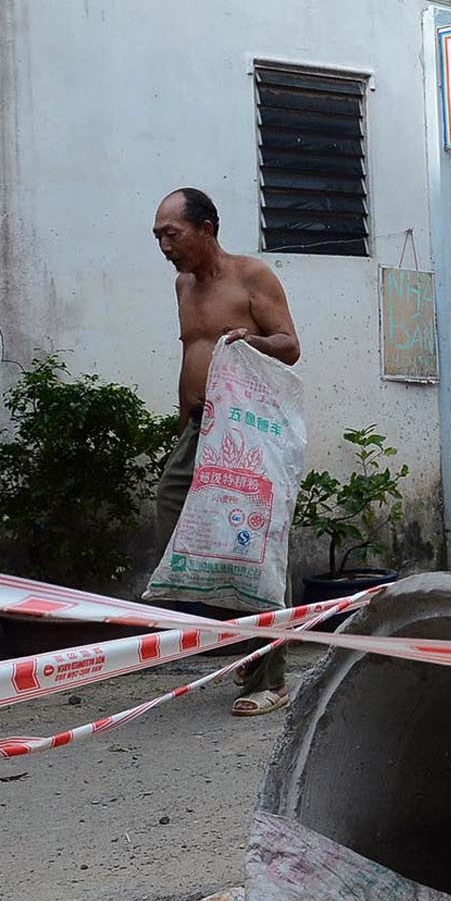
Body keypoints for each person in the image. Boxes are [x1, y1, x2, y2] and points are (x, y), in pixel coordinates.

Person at [152, 186, 303, 714]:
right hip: (199, 429)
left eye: (172, 234)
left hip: (245, 431)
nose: (165, 246)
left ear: (207, 228)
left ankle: (271, 677)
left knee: (250, 547)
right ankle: (243, 642)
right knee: (176, 511)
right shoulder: (182, 286)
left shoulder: (251, 277)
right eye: (158, 237)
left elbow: (289, 345)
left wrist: (249, 340)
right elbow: (190, 354)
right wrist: (181, 425)